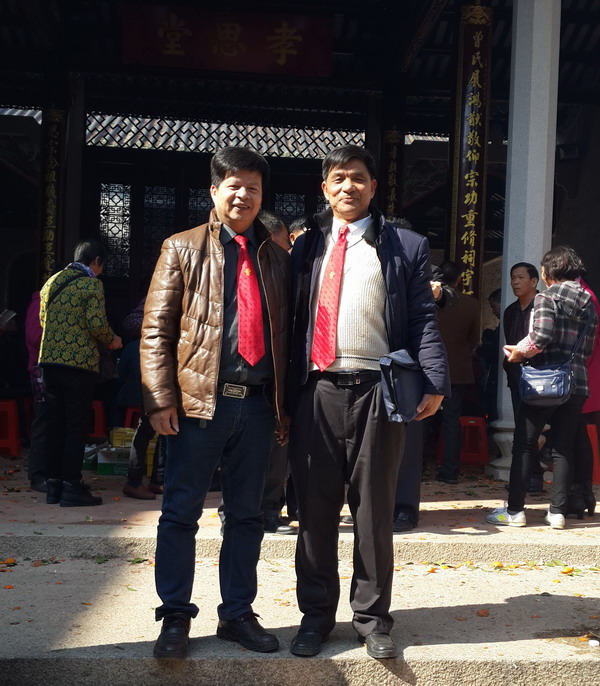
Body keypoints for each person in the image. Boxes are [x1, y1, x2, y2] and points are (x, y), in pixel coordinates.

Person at [287, 144, 449, 659]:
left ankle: (373, 619)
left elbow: (422, 316)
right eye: (338, 178)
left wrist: (434, 381)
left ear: (373, 186)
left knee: (375, 511)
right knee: (314, 512)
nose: (348, 187)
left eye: (358, 178)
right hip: (318, 389)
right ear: (325, 188)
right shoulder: (306, 246)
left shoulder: (405, 245)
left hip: (378, 388)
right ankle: (315, 617)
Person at [140, 146, 290, 659]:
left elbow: (287, 334)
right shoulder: (181, 248)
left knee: (247, 515)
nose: (243, 195)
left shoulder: (276, 258)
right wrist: (160, 399)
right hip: (198, 404)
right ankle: (175, 615)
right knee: (181, 513)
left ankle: (237, 614)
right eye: (234, 185)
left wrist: (284, 409)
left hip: (258, 405)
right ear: (214, 190)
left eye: (253, 187)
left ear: (262, 196)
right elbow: (156, 329)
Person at [488, 246, 597, 529]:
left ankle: (515, 511)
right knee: (563, 448)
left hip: (544, 382)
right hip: (577, 383)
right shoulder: (589, 301)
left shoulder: (546, 297)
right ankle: (557, 512)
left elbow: (540, 337)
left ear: (550, 272)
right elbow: (588, 346)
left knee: (524, 444)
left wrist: (518, 352)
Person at [38, 238, 122, 507]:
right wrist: (113, 340)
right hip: (78, 365)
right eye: (102, 265)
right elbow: (97, 324)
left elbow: (43, 319)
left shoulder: (52, 282)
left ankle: (53, 485)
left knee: (55, 424)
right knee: (76, 426)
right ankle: (71, 486)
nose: (101, 271)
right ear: (96, 261)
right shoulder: (91, 284)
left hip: (49, 362)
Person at [435, 261, 481, 484]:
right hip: (457, 368)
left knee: (420, 419)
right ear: (458, 280)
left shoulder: (425, 300)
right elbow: (474, 340)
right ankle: (450, 471)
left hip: (428, 368)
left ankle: (416, 468)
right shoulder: (470, 304)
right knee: (452, 420)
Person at [503, 262, 546, 492]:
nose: (515, 282)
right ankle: (529, 477)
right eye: (513, 278)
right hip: (517, 378)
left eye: (520, 277)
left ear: (534, 281)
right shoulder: (510, 311)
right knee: (522, 429)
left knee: (535, 430)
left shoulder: (543, 308)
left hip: (540, 379)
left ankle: (534, 476)